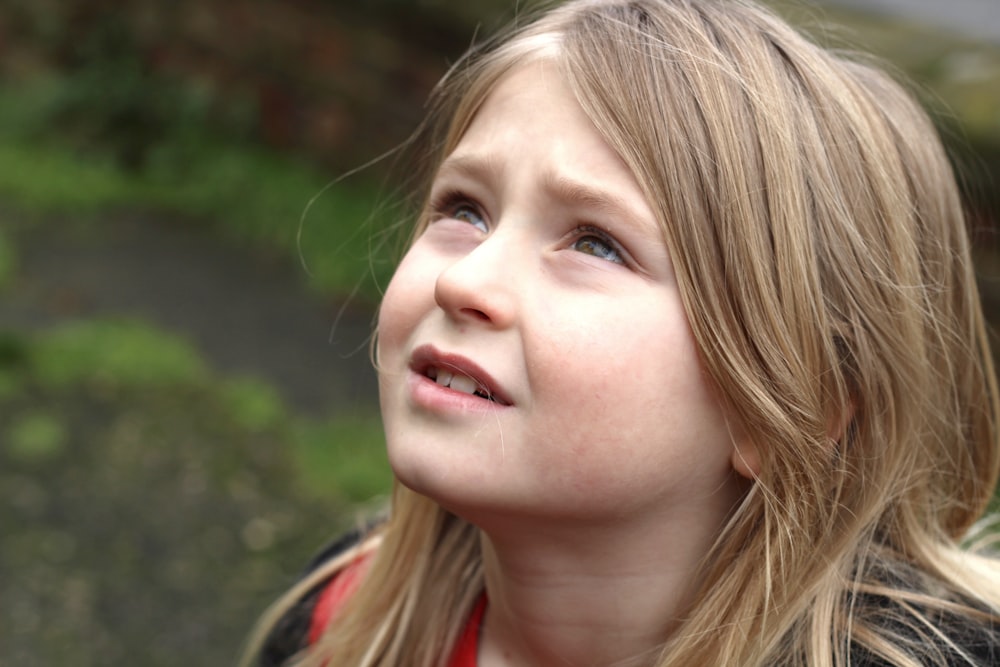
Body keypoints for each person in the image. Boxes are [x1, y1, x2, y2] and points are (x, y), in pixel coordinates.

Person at [241, 0, 1000, 665]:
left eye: (595, 243)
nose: (463, 280)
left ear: (797, 407)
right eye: (464, 208)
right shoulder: (340, 622)